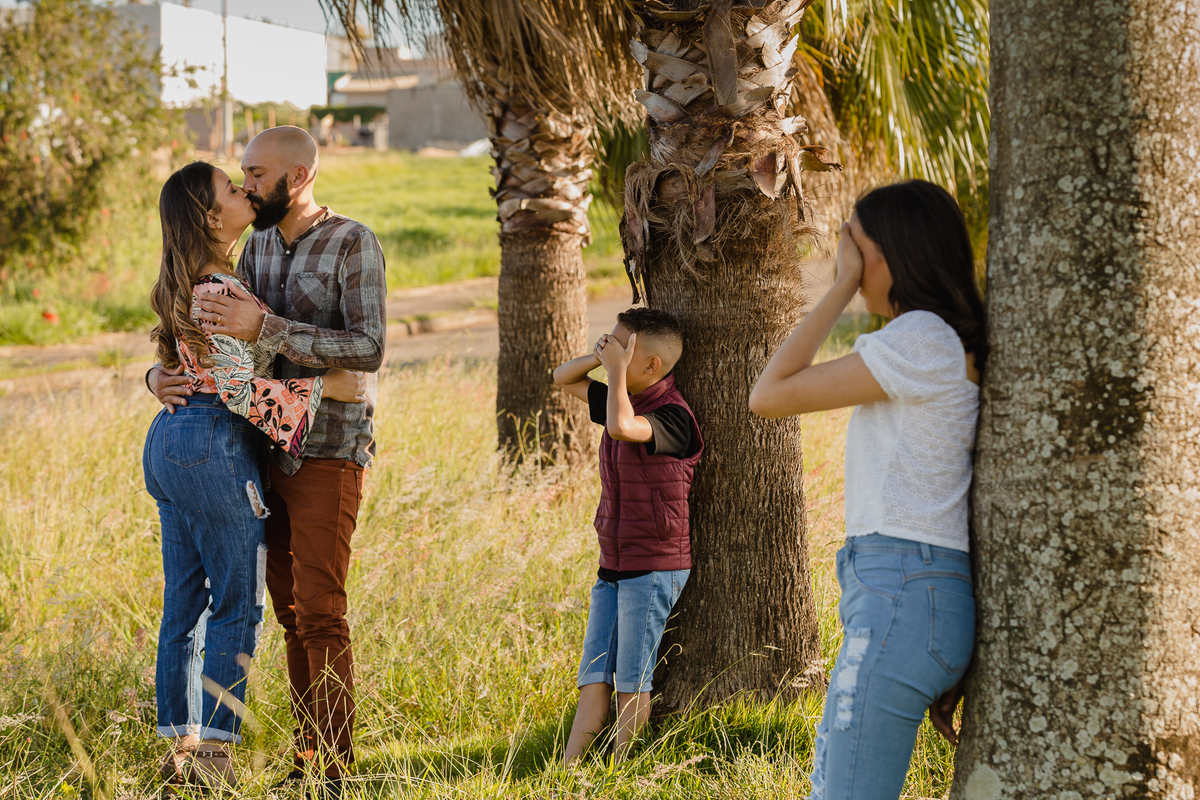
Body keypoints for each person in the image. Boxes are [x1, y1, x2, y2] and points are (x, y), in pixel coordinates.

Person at [147, 126, 387, 794]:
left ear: (298, 175)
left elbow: (367, 348)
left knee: (317, 613)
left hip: (325, 447)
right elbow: (211, 353)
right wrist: (156, 375)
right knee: (279, 615)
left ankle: (330, 773)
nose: (246, 184)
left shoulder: (352, 242)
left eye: (253, 173)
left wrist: (268, 332)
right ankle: (297, 764)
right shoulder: (247, 252)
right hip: (248, 449)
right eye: (239, 178)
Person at [749, 180, 985, 800]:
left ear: (890, 253)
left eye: (853, 244)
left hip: (903, 594)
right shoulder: (937, 342)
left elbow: (769, 395)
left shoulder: (922, 338)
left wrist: (839, 289)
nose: (843, 256)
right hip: (907, 596)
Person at [552, 308, 704, 763]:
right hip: (614, 562)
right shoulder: (624, 398)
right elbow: (562, 378)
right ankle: (568, 769)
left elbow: (621, 427)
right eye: (610, 343)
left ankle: (622, 771)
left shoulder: (673, 418)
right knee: (594, 672)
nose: (611, 351)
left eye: (624, 347)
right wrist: (604, 360)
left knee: (631, 679)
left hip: (655, 566)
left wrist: (615, 371)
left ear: (652, 365)